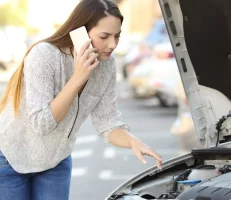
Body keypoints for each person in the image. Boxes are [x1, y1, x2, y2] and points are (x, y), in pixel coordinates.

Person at [0, 0, 162, 199]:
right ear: (80, 33)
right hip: (11, 160)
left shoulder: (106, 64)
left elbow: (107, 122)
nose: (112, 44)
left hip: (55, 161)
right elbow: (41, 123)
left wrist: (134, 142)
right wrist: (78, 77)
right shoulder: (44, 55)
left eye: (117, 36)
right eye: (104, 36)